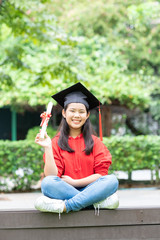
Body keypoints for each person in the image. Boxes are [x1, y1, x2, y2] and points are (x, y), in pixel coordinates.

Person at [34, 82, 119, 218]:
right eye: (72, 111)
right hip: (64, 190)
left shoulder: (95, 142)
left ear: (87, 115)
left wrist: (75, 183)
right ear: (64, 112)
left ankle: (67, 206)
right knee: (47, 183)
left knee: (112, 181)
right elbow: (52, 176)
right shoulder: (55, 142)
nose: (76, 115)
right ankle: (94, 203)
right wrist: (48, 148)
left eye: (81, 112)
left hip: (91, 188)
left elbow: (101, 175)